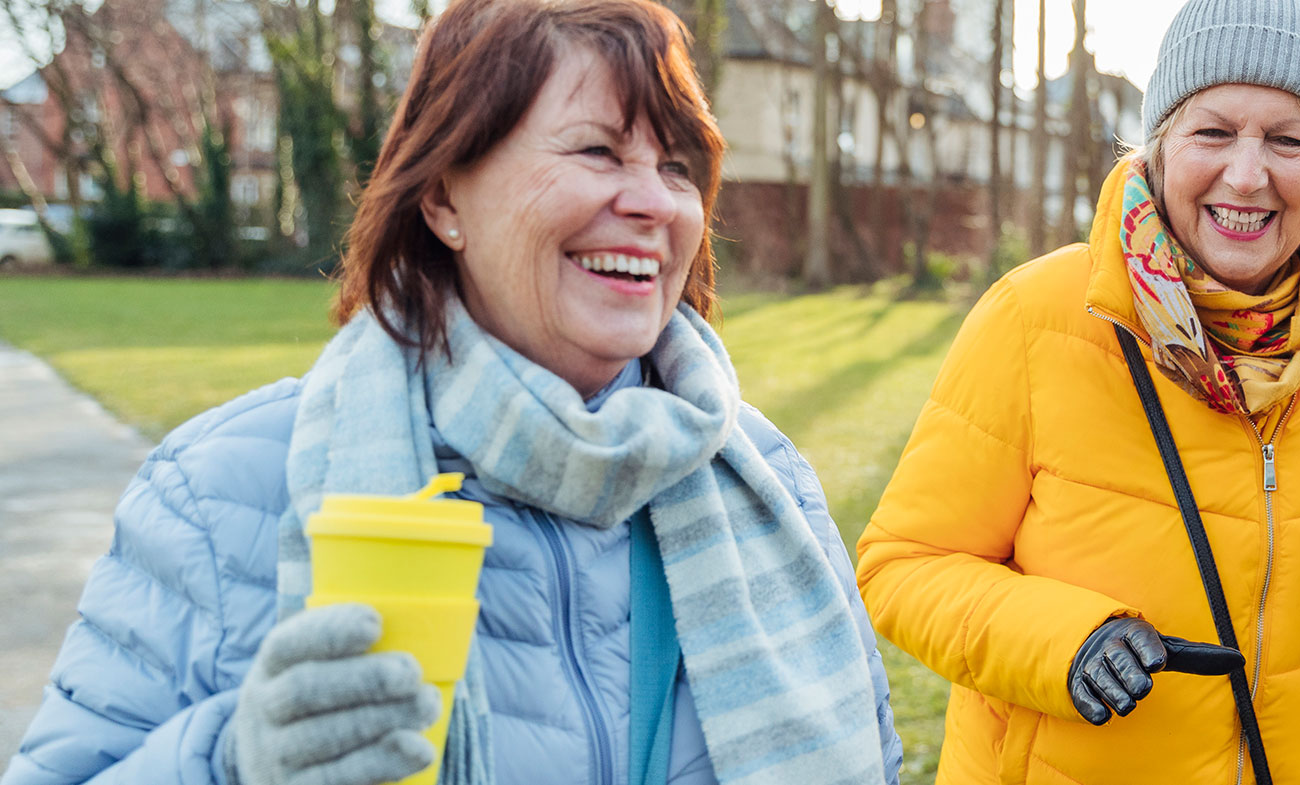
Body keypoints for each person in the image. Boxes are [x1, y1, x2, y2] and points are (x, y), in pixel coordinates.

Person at [1, 1, 901, 784]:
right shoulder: (221, 488)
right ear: (443, 200)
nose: (655, 203)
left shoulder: (767, 479)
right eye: (597, 149)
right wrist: (228, 761)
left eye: (675, 167)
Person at [854, 0, 1300, 782]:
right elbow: (903, 565)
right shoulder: (1036, 318)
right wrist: (1069, 641)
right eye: (1213, 131)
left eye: (1287, 139)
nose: (1246, 173)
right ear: (1160, 146)